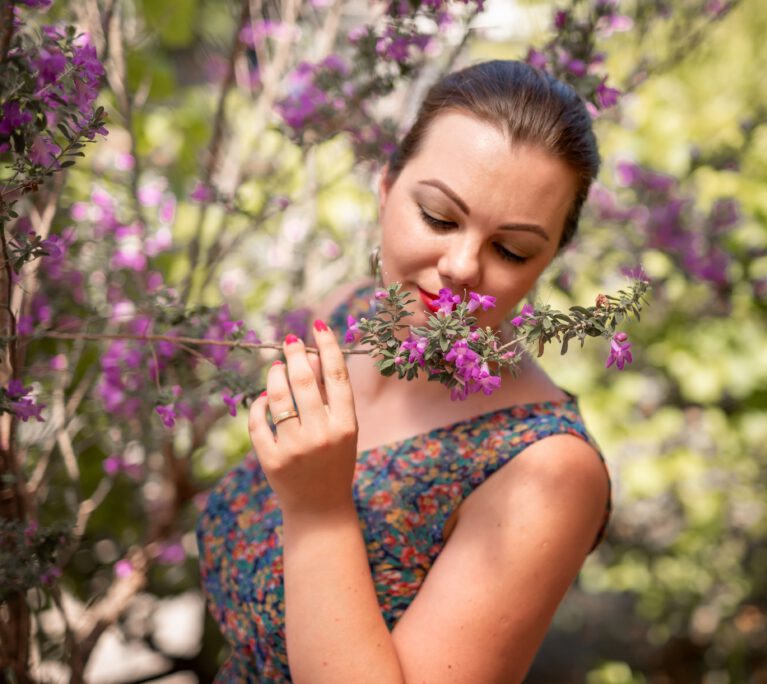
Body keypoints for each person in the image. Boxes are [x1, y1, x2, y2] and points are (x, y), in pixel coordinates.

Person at [197, 59, 611, 683]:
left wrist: (320, 512)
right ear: (387, 185)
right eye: (440, 218)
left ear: (548, 258)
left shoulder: (547, 472)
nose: (463, 266)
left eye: (512, 249)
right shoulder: (337, 319)